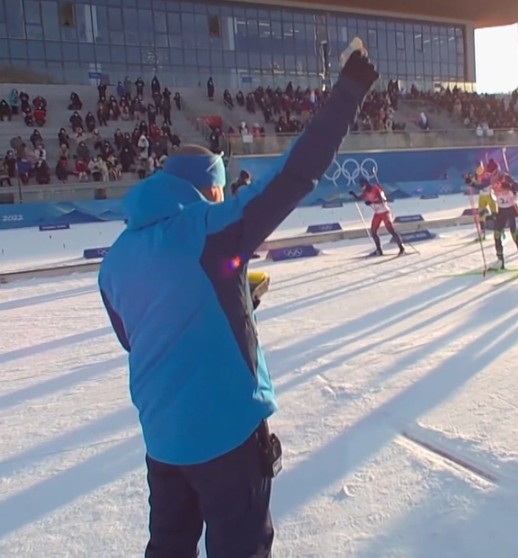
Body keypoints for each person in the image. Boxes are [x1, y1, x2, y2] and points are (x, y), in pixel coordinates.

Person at [97, 39, 379, 558]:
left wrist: (231, 306)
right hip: (226, 434)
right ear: (210, 190)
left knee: (169, 547)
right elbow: (295, 175)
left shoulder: (115, 258)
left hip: (162, 440)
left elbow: (140, 336)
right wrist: (350, 88)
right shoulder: (211, 227)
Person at [349, 177, 406, 256]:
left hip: (385, 212)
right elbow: (360, 198)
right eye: (361, 185)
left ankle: (401, 248)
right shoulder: (365, 192)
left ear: (366, 183)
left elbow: (381, 200)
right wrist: (354, 195)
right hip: (378, 213)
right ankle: (379, 250)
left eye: (362, 184)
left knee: (391, 230)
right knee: (373, 232)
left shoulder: (375, 188)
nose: (362, 186)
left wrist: (371, 202)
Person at [489, 171, 518, 271]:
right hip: (502, 211)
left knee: (515, 235)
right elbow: (481, 186)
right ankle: (500, 261)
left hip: (512, 210)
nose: (494, 180)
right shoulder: (492, 181)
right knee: (497, 235)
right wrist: (471, 183)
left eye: (495, 177)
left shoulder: (506, 178)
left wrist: (511, 185)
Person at [464, 159, 499, 240]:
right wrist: (468, 180)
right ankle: (482, 233)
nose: (478, 169)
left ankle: (499, 231)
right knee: (481, 215)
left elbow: (482, 186)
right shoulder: (476, 174)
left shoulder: (488, 174)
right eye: (477, 167)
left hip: (490, 195)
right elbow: (475, 183)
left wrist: (472, 184)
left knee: (494, 214)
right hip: (482, 196)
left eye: (479, 167)